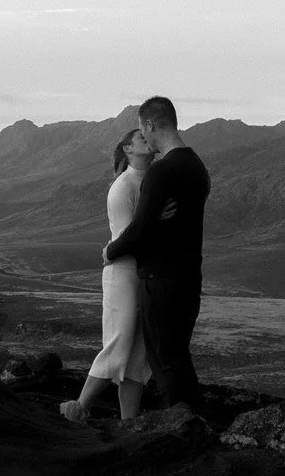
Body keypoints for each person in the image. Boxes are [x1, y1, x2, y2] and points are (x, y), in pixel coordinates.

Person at [102, 96, 209, 412]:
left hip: (161, 280)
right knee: (179, 357)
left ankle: (185, 428)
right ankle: (195, 422)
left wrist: (111, 251)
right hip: (190, 278)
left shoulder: (161, 172)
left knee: (164, 361)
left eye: (141, 129)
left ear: (150, 124)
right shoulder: (197, 166)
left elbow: (139, 230)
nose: (143, 136)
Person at [59, 128, 153, 423]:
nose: (147, 140)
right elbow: (131, 237)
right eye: (141, 138)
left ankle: (128, 422)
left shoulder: (148, 181)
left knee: (139, 353)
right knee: (119, 342)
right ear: (127, 149)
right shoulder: (123, 187)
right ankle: (79, 407)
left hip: (141, 273)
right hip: (124, 272)